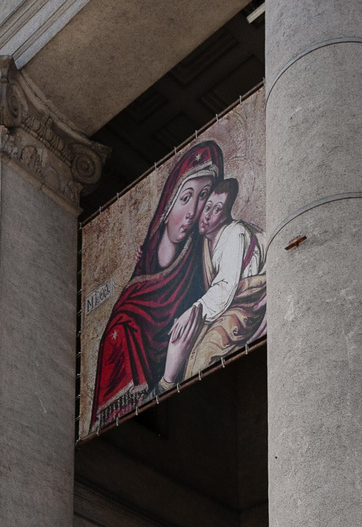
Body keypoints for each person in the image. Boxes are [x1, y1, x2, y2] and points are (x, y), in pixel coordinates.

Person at [88, 141, 223, 434]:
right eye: (186, 197)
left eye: (203, 197)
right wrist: (168, 378)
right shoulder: (125, 326)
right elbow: (122, 430)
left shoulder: (200, 268)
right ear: (167, 203)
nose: (193, 211)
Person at [162, 176, 265, 391]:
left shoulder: (234, 233)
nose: (207, 215)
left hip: (247, 304)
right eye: (207, 206)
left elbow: (225, 287)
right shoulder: (206, 241)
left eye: (217, 209)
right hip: (228, 305)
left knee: (204, 352)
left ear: (226, 214)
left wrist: (193, 310)